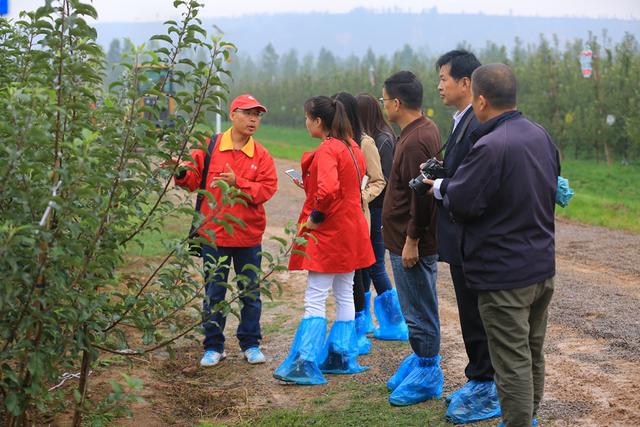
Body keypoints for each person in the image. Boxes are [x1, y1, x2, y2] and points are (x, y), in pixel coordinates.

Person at [427, 64, 559, 427]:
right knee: (532, 351)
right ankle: (527, 417)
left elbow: (465, 202)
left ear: (481, 100)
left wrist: (442, 188)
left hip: (504, 275)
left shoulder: (490, 145)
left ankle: (518, 422)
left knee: (511, 359)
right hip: (540, 266)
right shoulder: (538, 134)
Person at [169, 94, 278, 367]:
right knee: (214, 292)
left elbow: (266, 189)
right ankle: (214, 346)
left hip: (248, 236)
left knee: (250, 292)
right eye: (248, 113)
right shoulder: (211, 146)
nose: (254, 119)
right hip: (213, 235)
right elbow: (192, 180)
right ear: (233, 114)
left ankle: (251, 344)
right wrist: (180, 171)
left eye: (258, 114)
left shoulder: (261, 154)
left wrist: (237, 182)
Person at [273, 96, 375, 385]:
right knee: (344, 292)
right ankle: (340, 356)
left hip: (330, 232)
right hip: (352, 230)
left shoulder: (329, 149)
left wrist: (315, 218)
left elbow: (329, 191)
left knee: (315, 296)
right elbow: (344, 186)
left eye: (307, 118)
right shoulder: (352, 146)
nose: (306, 123)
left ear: (318, 121)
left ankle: (305, 361)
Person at [433, 50, 500, 424]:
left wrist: (442, 184)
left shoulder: (477, 124)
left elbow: (473, 183)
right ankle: (478, 377)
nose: (440, 86)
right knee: (469, 314)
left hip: (471, 238)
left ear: (466, 83)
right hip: (459, 238)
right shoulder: (462, 121)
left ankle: (486, 383)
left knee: (478, 316)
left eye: (444, 78)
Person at [379, 71, 443, 406]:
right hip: (402, 236)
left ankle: (429, 372)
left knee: (419, 309)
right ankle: (421, 360)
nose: (383, 105)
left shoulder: (418, 138)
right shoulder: (416, 130)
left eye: (384, 99)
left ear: (397, 102)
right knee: (414, 306)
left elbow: (424, 195)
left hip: (412, 241)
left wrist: (413, 239)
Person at [331, 91, 386, 355]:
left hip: (358, 218)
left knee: (361, 274)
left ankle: (360, 325)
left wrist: (359, 196)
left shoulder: (365, 143)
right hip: (338, 220)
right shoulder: (337, 143)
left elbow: (379, 180)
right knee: (347, 276)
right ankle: (352, 324)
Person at [356, 93, 409, 342]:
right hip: (371, 208)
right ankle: (364, 316)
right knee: (365, 262)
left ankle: (393, 320)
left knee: (376, 264)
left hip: (378, 209)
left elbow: (384, 180)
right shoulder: (373, 137)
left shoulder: (382, 140)